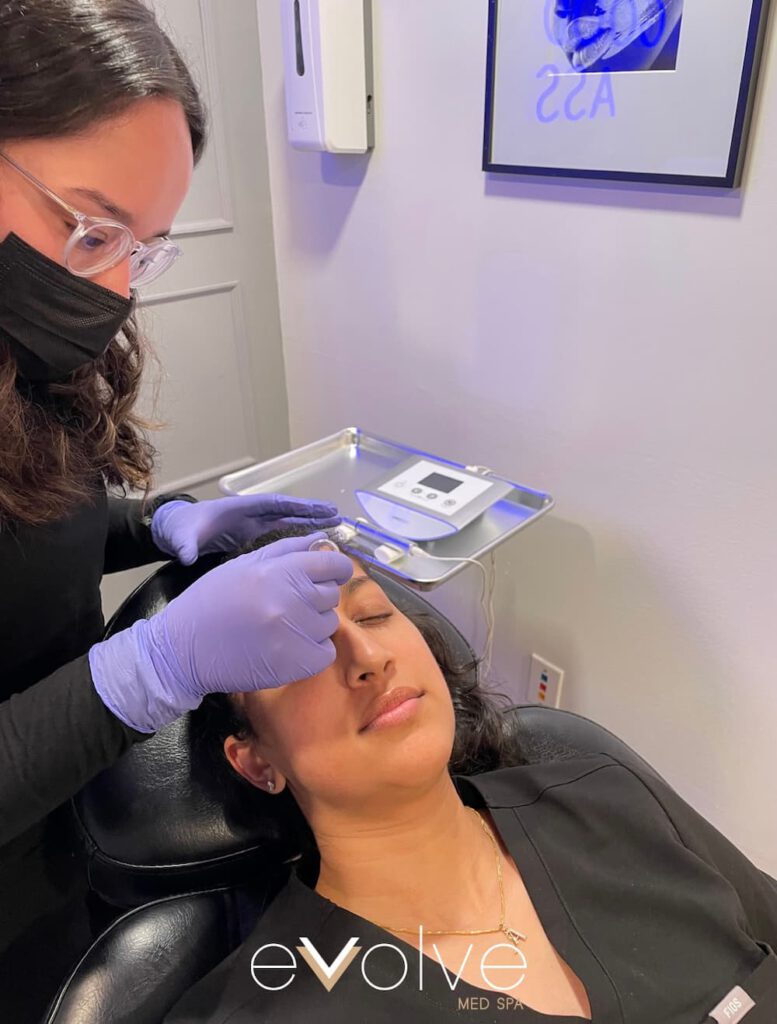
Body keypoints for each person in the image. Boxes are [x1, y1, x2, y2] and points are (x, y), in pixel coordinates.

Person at [0, 3, 354, 1019]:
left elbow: (30, 530)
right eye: (91, 227)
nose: (115, 283)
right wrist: (153, 667)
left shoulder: (24, 345)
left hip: (65, 828)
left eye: (144, 247)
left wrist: (163, 523)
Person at [166, 527, 777, 1023]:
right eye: (297, 656)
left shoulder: (605, 796)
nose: (368, 658)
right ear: (256, 761)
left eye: (374, 614)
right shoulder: (259, 1009)